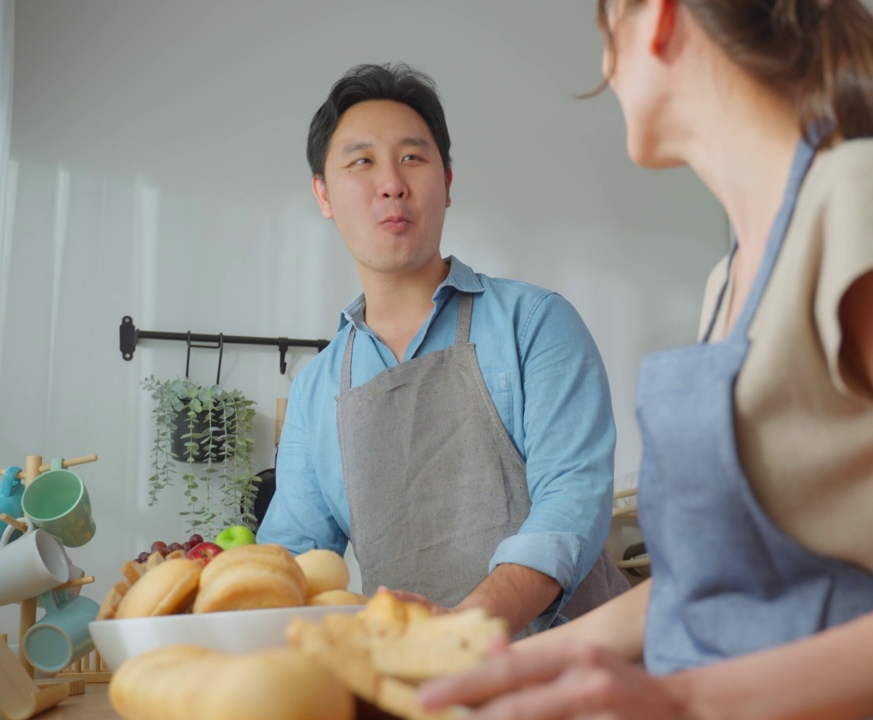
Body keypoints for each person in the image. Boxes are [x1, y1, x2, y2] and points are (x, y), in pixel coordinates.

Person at [415, 1, 873, 717]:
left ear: (659, 17)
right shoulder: (727, 282)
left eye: (607, 38)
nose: (605, 70)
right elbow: (701, 591)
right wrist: (472, 670)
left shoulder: (866, 194)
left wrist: (686, 701)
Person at [257, 63, 631, 636]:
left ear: (448, 182)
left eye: (412, 157)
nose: (392, 184)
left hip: (573, 674)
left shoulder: (535, 323)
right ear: (323, 194)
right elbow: (292, 564)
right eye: (361, 161)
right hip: (418, 689)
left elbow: (570, 507)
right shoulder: (316, 389)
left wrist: (462, 629)